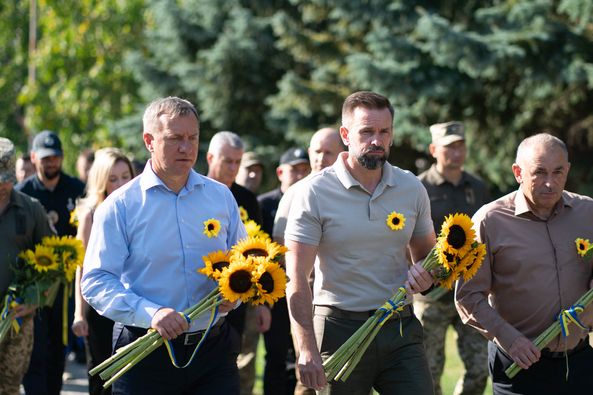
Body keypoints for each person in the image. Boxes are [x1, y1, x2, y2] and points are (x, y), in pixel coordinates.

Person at [81, 97, 245, 394]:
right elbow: (95, 281)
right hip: (144, 354)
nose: (186, 147)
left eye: (192, 137)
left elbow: (245, 262)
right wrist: (151, 313)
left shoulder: (220, 197)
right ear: (149, 141)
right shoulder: (120, 205)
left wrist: (237, 293)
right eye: (174, 139)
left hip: (213, 352)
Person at [285, 91, 436, 394]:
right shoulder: (312, 193)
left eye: (384, 132)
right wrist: (305, 349)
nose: (376, 141)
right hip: (338, 329)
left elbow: (429, 259)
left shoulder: (411, 187)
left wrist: (427, 276)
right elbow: (296, 277)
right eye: (366, 132)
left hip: (399, 328)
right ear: (345, 134)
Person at [455, 133, 593, 395]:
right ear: (518, 172)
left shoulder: (589, 213)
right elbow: (468, 295)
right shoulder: (489, 220)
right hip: (518, 364)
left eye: (558, 172)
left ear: (568, 171)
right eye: (539, 172)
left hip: (580, 361)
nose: (550, 183)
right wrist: (509, 338)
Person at [415, 121, 490, 395]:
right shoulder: (419, 186)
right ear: (434, 149)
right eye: (449, 147)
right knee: (428, 373)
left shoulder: (477, 187)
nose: (456, 153)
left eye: (460, 146)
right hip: (431, 296)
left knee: (480, 369)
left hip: (470, 292)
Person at [16, 130, 85, 395]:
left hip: (68, 284)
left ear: (62, 157)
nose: (51, 162)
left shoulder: (77, 190)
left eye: (55, 156)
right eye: (45, 158)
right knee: (35, 349)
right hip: (34, 285)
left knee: (59, 346)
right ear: (34, 158)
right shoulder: (23, 194)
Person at [206, 131, 270, 395]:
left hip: (238, 297)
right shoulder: (195, 192)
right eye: (227, 161)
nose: (233, 168)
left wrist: (263, 303)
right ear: (210, 158)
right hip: (200, 295)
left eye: (237, 162)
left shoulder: (247, 198)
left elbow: (260, 255)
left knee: (233, 367)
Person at [71, 148, 134, 395]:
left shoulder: (142, 209)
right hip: (100, 309)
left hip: (135, 306)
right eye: (112, 178)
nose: (120, 183)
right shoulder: (91, 215)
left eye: (125, 176)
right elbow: (82, 268)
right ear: (101, 180)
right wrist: (79, 313)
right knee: (102, 378)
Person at [0, 137, 54, 395]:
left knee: (10, 387)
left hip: (17, 320)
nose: (3, 185)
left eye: (8, 178)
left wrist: (37, 300)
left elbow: (56, 264)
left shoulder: (31, 209)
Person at [258, 147, 310, 395]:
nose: (300, 175)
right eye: (294, 170)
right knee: (277, 356)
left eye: (304, 169)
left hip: (304, 290)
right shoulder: (264, 204)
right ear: (280, 172)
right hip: (274, 295)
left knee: (305, 356)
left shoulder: (313, 199)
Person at [272, 127, 345, 246]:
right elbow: (279, 240)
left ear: (341, 154)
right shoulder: (295, 192)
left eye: (328, 153)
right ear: (310, 152)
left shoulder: (351, 189)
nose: (321, 159)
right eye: (317, 152)